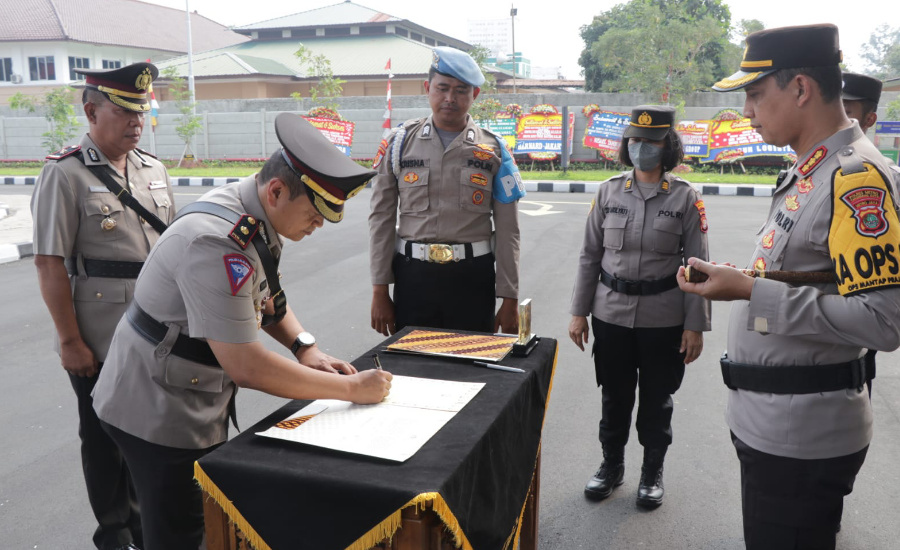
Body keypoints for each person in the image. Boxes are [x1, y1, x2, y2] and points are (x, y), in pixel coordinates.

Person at [91, 113, 393, 550]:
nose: (319, 225)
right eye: (314, 213)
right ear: (276, 191)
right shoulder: (218, 241)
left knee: (178, 523)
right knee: (181, 533)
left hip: (185, 389)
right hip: (157, 409)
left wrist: (303, 346)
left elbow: (264, 295)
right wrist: (348, 390)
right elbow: (247, 365)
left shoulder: (252, 212)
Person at [679, 24, 900, 549]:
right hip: (774, 426)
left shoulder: (857, 179)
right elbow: (814, 275)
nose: (748, 112)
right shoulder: (812, 169)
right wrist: (749, 279)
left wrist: (753, 291)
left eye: (756, 94)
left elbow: (884, 320)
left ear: (800, 89)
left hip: (802, 440)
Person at [30, 61, 172, 550]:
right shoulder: (64, 174)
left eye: (141, 113)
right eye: (124, 112)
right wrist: (70, 341)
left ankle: (147, 527)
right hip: (99, 334)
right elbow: (49, 265)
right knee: (105, 440)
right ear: (90, 111)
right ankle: (115, 534)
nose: (137, 122)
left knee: (151, 435)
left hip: (155, 331)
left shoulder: (154, 169)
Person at [568, 105, 711, 509]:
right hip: (610, 314)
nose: (641, 148)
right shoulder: (608, 191)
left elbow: (698, 266)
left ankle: (652, 472)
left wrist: (695, 325)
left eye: (650, 142)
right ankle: (611, 466)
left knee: (656, 401)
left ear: (668, 146)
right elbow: (588, 256)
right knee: (613, 397)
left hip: (663, 318)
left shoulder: (685, 198)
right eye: (634, 140)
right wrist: (579, 312)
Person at [369, 46, 526, 337]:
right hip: (414, 277)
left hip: (472, 279)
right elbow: (381, 219)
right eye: (442, 88)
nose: (450, 99)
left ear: (474, 95)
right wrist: (380, 291)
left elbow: (508, 231)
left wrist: (509, 298)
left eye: (460, 90)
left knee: (470, 372)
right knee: (412, 369)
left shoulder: (494, 151)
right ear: (428, 88)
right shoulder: (399, 144)